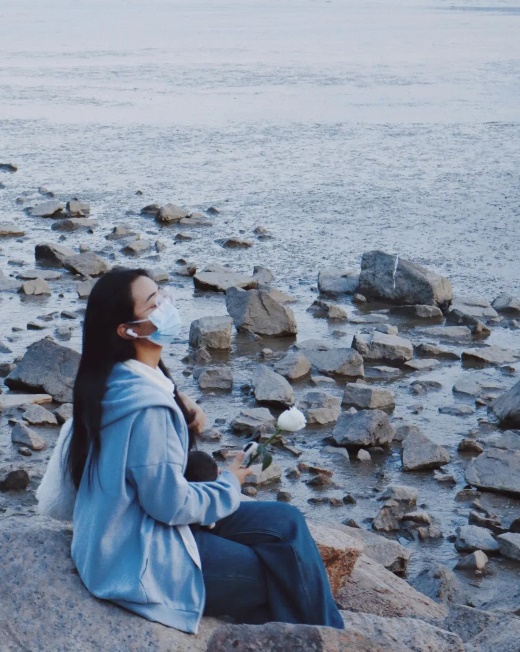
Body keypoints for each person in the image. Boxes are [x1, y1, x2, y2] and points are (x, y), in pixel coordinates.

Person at [42, 267, 344, 633]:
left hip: (134, 525)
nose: (167, 304)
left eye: (162, 294)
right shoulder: (147, 408)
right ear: (129, 330)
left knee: (287, 521)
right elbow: (169, 504)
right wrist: (229, 484)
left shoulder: (116, 378)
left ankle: (327, 637)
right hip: (138, 552)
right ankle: (328, 639)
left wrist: (180, 400)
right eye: (154, 303)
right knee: (278, 573)